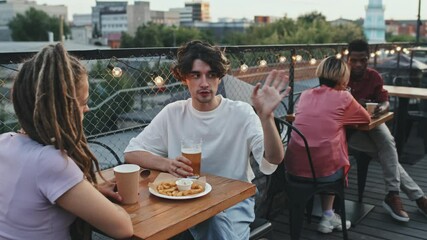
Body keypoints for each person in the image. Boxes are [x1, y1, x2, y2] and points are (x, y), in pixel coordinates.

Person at [124, 40, 289, 240]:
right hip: (183, 204)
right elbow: (131, 153)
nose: (204, 83)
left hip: (231, 206)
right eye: (196, 75)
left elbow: (274, 158)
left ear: (219, 78)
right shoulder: (173, 112)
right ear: (185, 78)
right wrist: (167, 163)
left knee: (213, 220)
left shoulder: (241, 112)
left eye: (211, 75)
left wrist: (266, 117)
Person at [0, 44, 133, 239]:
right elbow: (123, 228)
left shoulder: (4, 141)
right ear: (64, 107)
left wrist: (89, 192)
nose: (87, 109)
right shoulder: (50, 162)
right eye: (84, 102)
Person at [285, 56, 370, 233]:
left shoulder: (306, 94)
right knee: (333, 157)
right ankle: (328, 216)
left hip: (293, 167)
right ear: (343, 78)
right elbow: (365, 118)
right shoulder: (344, 97)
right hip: (323, 172)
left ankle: (327, 216)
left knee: (326, 151)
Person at [346, 39, 427, 222]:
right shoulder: (341, 77)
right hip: (349, 131)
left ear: (368, 59)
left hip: (372, 122)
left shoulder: (374, 76)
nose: (358, 64)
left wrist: (382, 108)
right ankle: (416, 197)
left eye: (363, 60)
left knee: (388, 141)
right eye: (354, 60)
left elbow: (384, 100)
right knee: (387, 155)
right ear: (347, 58)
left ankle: (393, 194)